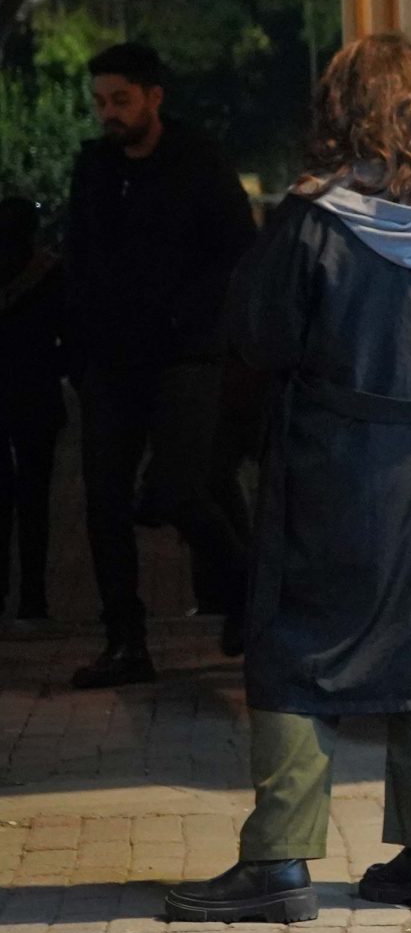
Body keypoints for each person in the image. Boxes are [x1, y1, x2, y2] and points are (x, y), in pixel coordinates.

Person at [165, 35, 411, 924]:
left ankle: (280, 864)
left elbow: (259, 335)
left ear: (340, 114)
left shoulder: (316, 218)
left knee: (299, 647)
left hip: (340, 471)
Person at [61, 42, 256, 686]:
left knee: (181, 487)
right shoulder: (95, 167)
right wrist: (78, 342)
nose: (108, 114)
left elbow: (236, 248)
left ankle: (249, 594)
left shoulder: (196, 160)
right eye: (100, 103)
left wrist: (195, 320)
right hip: (111, 361)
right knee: (106, 501)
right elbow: (80, 253)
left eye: (119, 100)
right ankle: (125, 641)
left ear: (153, 98)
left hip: (182, 355)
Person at [0, 197, 66, 625]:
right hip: (38, 392)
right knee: (35, 500)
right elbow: (69, 330)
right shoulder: (49, 272)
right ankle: (33, 596)